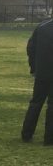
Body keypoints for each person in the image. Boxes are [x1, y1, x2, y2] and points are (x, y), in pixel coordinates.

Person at [21, 16, 53, 145]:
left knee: (35, 103)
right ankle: (49, 138)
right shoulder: (42, 27)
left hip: (42, 73)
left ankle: (26, 134)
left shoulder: (41, 27)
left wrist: (34, 67)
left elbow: (30, 48)